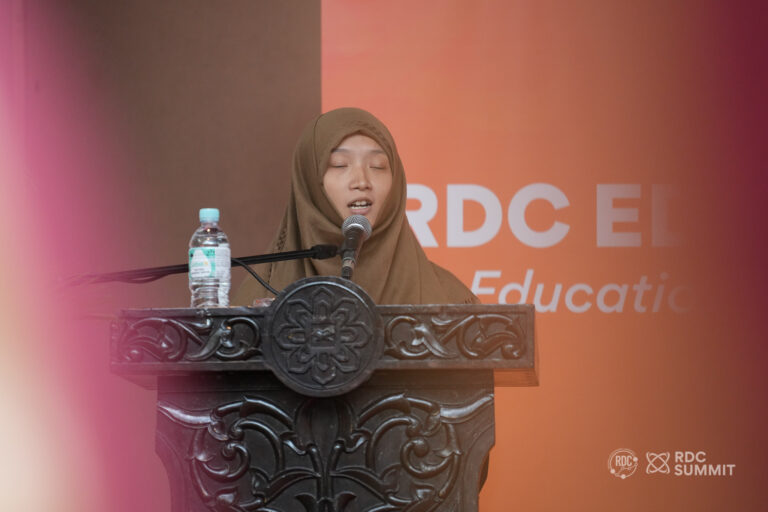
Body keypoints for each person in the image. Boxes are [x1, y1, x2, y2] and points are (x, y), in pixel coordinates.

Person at [234, 107, 478, 306]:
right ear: (309, 182)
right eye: (340, 165)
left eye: (378, 166)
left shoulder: (452, 301)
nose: (362, 181)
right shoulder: (258, 299)